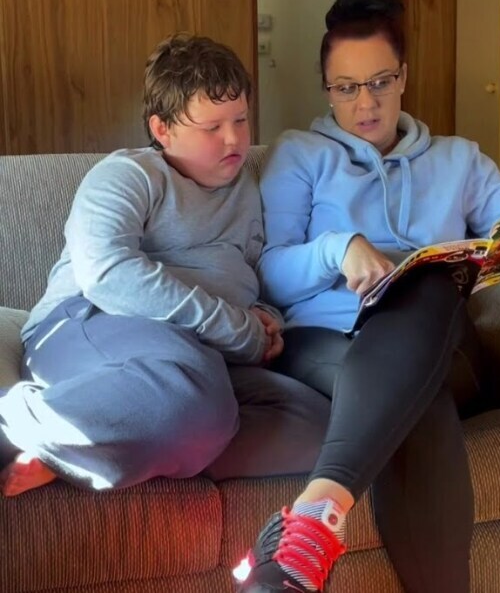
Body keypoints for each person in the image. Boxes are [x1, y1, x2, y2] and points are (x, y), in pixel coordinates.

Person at [235, 0, 500, 593]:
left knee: (430, 279)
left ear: (403, 76)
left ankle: (315, 517)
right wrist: (338, 248)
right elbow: (270, 270)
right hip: (327, 341)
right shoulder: (298, 155)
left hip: (444, 344)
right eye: (346, 87)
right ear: (326, 89)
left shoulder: (460, 161)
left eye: (380, 81)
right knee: (415, 402)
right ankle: (320, 538)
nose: (365, 103)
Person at [0, 34, 330, 499]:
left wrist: (264, 319)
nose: (234, 139)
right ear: (162, 129)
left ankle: (107, 445)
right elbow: (106, 274)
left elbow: (257, 280)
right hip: (93, 322)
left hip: (201, 357)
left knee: (321, 428)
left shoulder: (249, 191)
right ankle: (22, 424)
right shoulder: (128, 175)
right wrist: (234, 327)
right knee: (194, 396)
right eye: (212, 127)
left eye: (240, 119)